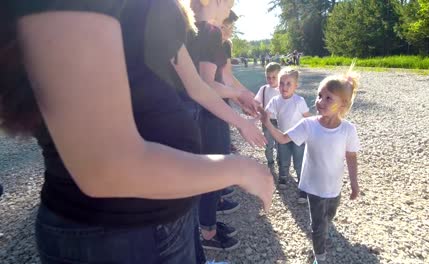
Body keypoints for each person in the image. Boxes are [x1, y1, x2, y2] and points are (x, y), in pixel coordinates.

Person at [0, 1, 274, 263]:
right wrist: (240, 169)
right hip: (117, 231)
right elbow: (104, 165)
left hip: (164, 207)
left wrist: (241, 121)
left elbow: (196, 86)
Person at [260, 65, 360, 263]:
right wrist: (268, 122)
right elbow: (282, 139)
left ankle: (320, 239)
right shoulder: (309, 125)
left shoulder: (348, 130)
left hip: (334, 188)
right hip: (313, 187)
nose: (320, 101)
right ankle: (319, 257)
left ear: (343, 104)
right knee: (318, 225)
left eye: (328, 98)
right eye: (319, 95)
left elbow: (351, 156)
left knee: (328, 219)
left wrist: (355, 183)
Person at [190, 0, 261, 252]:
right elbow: (207, 83)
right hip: (206, 112)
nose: (229, 27)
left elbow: (226, 78)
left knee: (214, 168)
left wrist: (244, 95)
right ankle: (207, 233)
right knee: (213, 170)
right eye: (228, 19)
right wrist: (238, 99)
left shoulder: (217, 39)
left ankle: (207, 221)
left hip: (214, 110)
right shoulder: (209, 34)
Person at [264, 68, 311, 201]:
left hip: (298, 138)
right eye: (281, 83)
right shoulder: (275, 100)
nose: (284, 87)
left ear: (296, 86)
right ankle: (283, 176)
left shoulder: (299, 101)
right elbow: (265, 115)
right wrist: (255, 118)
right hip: (282, 136)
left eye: (289, 84)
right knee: (283, 159)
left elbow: (308, 118)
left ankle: (303, 186)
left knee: (299, 161)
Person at [254, 62, 281, 174]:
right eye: (268, 77)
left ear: (280, 76)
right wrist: (254, 108)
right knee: (269, 144)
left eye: (274, 77)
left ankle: (281, 161)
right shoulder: (264, 89)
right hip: (267, 121)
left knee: (280, 143)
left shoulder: (282, 89)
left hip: (280, 121)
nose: (271, 80)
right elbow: (257, 102)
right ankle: (270, 162)